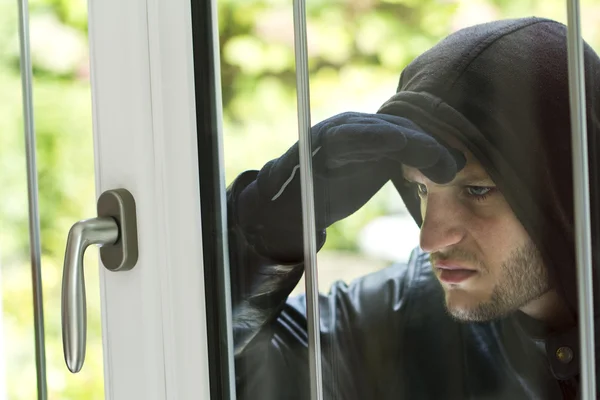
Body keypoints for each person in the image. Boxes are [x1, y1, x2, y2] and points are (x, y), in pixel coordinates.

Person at [227, 17, 600, 399]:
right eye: (419, 188)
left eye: (476, 190)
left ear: (568, 189)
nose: (430, 239)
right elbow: (226, 367)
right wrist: (265, 228)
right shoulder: (415, 307)